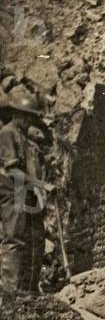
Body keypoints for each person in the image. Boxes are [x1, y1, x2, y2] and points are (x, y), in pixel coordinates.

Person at [0, 92, 48, 291]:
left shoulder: (24, 136)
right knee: (15, 239)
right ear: (17, 115)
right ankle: (11, 294)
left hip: (25, 190)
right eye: (27, 117)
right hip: (12, 192)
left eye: (31, 117)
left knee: (35, 237)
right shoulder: (8, 133)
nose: (30, 121)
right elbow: (11, 170)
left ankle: (29, 289)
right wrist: (41, 185)